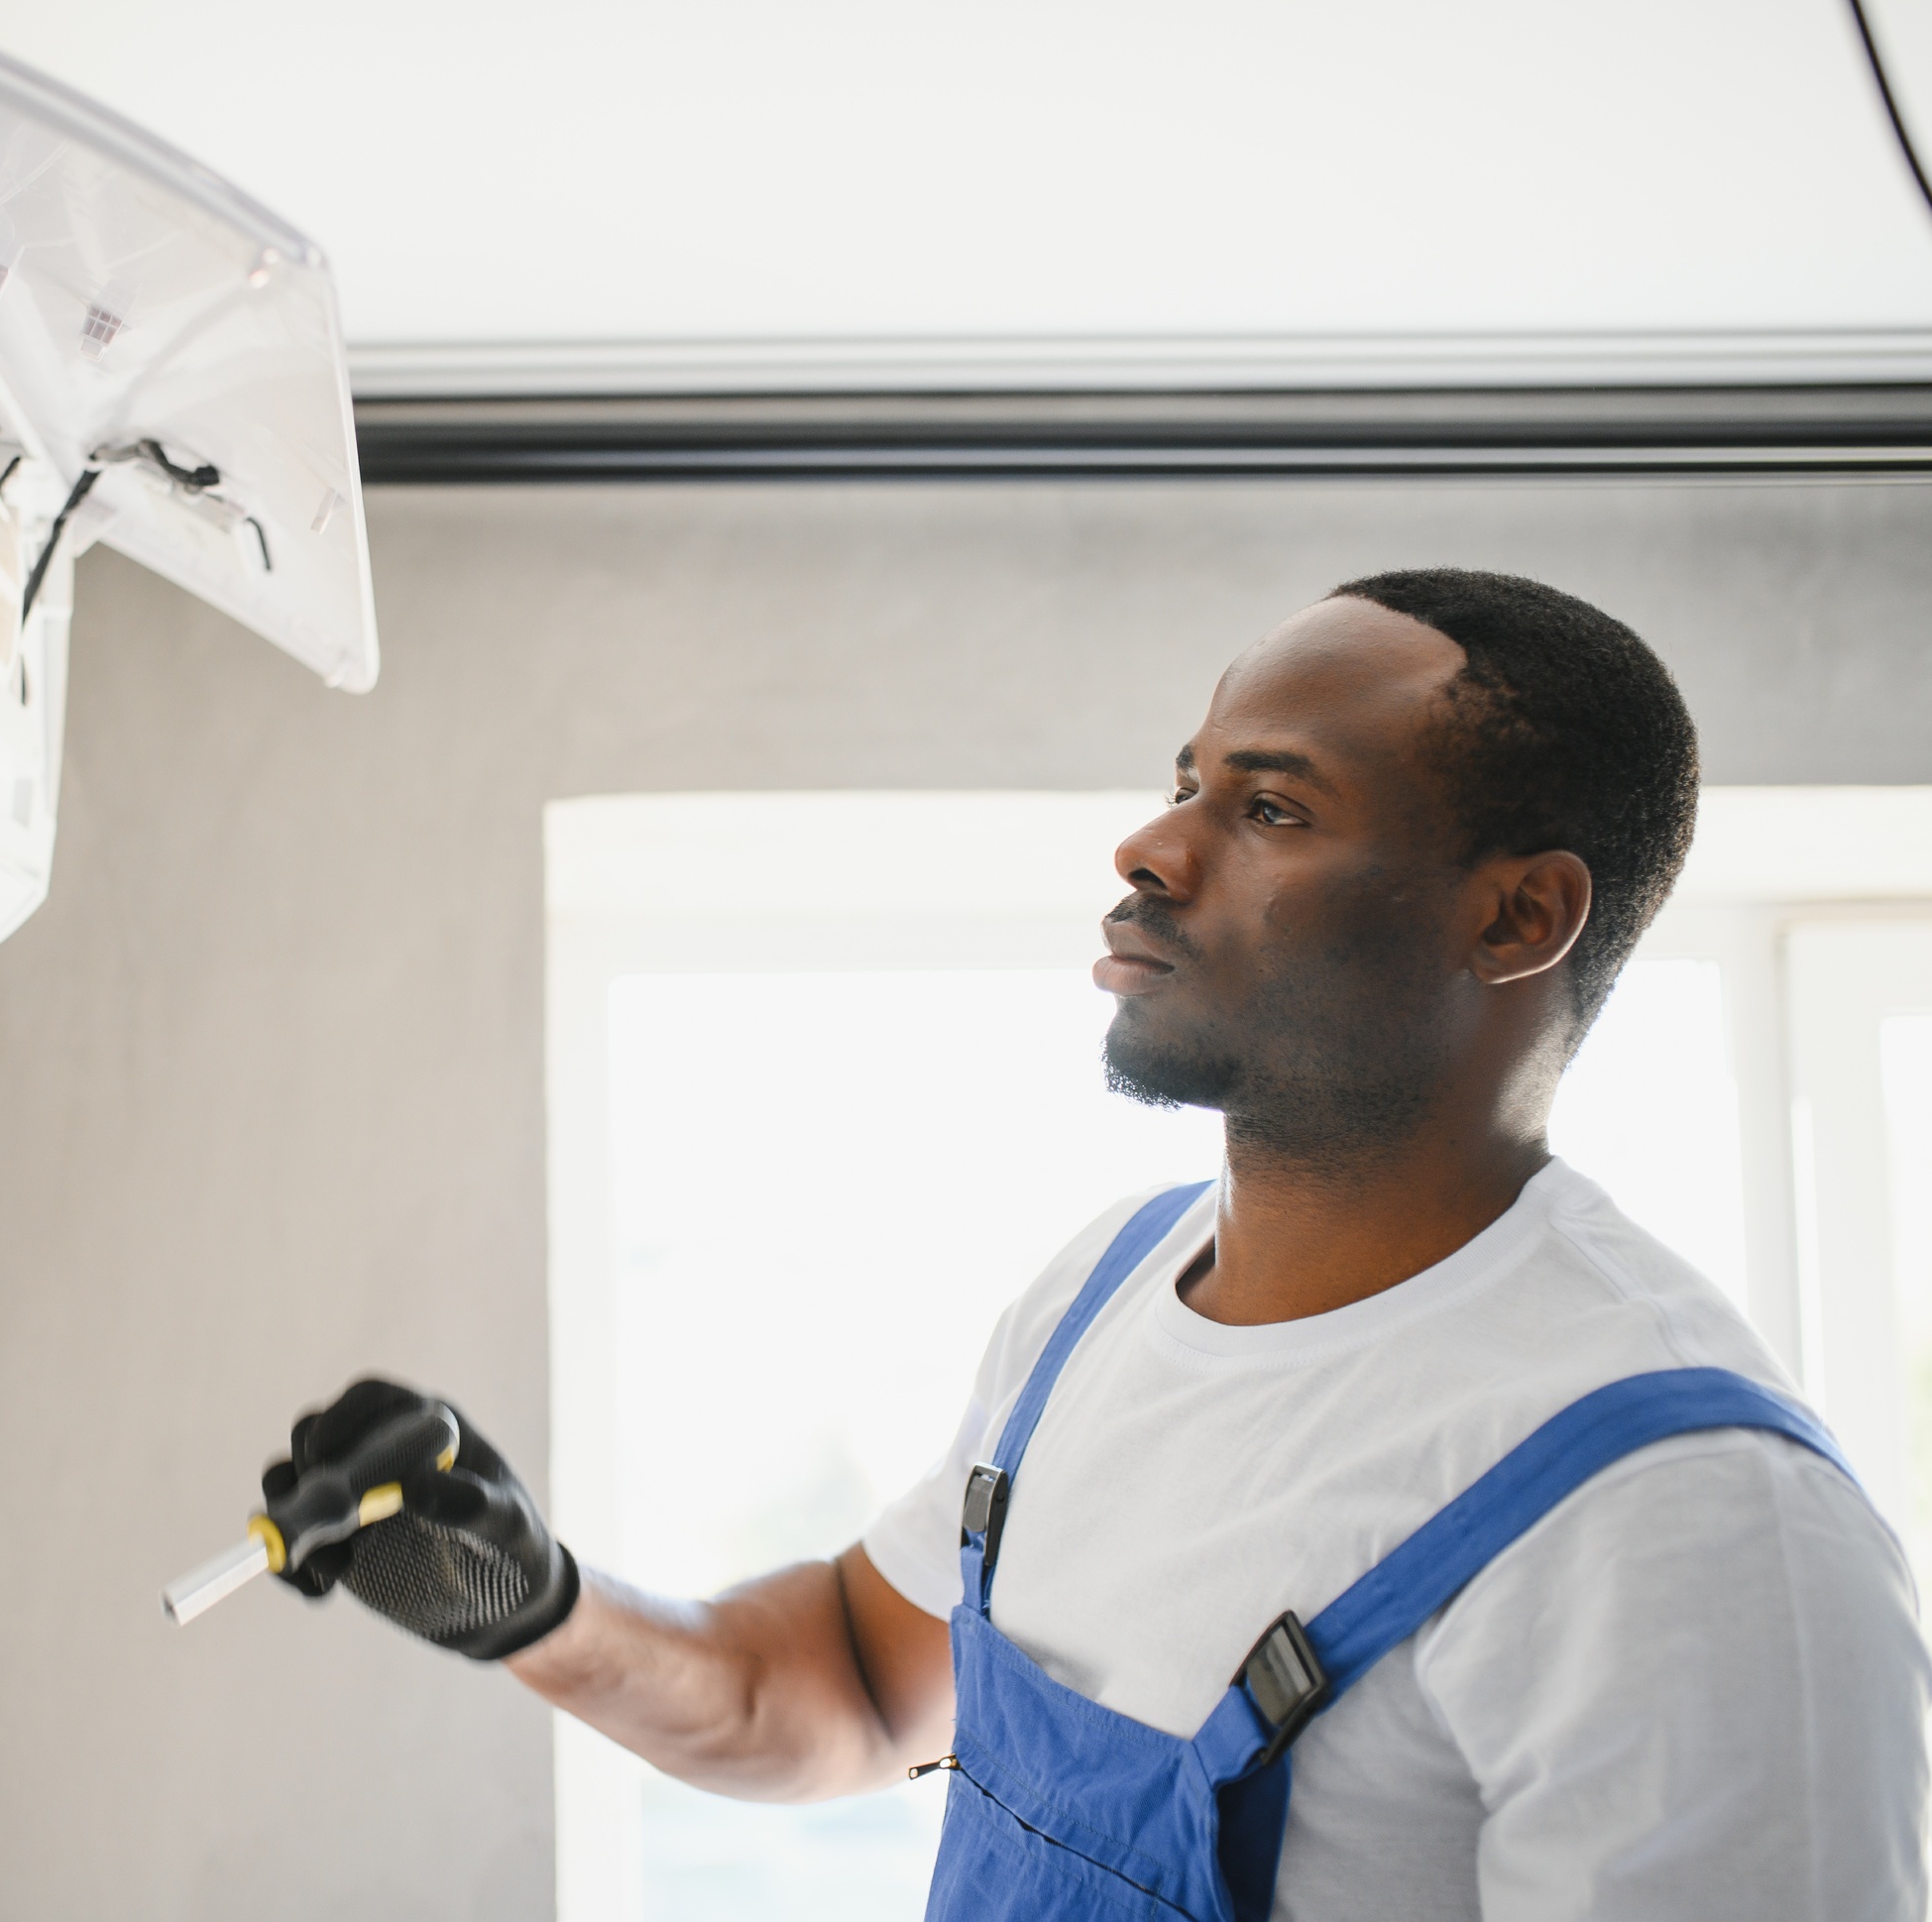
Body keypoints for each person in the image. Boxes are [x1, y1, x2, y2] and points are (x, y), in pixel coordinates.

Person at [259, 570, 1931, 1919]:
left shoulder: (1683, 1524)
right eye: (1185, 781)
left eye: (1271, 807)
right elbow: (843, 1687)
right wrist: (530, 1603)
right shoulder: (1107, 1295)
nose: (1150, 846)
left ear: (1516, 916)